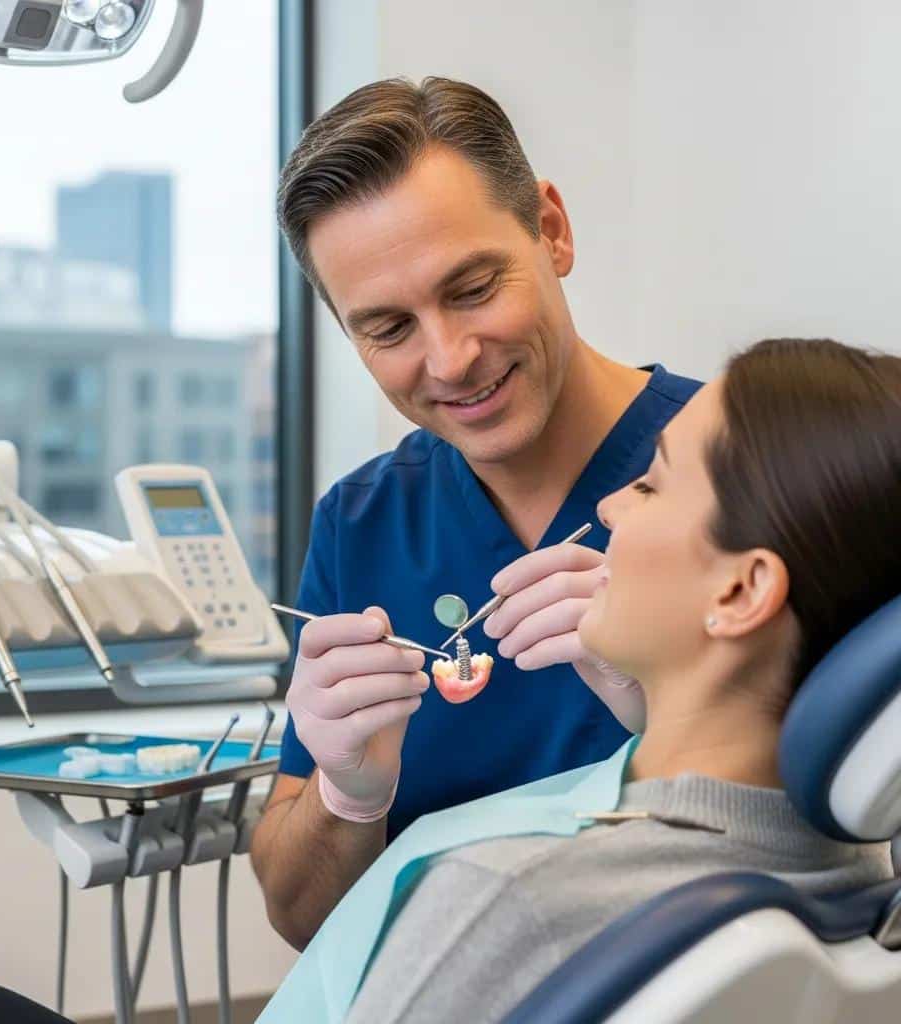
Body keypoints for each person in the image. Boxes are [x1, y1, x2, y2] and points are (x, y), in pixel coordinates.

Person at [253, 336, 900, 1023]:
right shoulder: (859, 880)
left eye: (651, 483)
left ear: (742, 592)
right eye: (388, 328)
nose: (613, 506)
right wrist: (348, 800)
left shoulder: (509, 897)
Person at [250, 75, 700, 950]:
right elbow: (300, 918)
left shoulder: (742, 460)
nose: (450, 360)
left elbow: (862, 831)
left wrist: (675, 717)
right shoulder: (362, 522)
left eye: (472, 288)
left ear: (553, 232)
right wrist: (347, 798)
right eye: (388, 329)